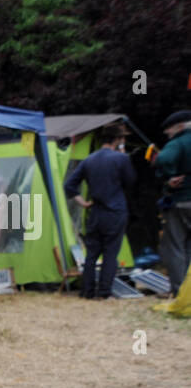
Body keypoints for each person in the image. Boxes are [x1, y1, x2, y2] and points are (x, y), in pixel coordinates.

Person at [63, 124, 136, 299]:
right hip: (115, 211)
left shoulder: (89, 160)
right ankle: (104, 292)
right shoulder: (121, 159)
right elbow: (131, 182)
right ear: (117, 140)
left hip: (95, 212)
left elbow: (69, 185)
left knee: (92, 255)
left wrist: (83, 203)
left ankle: (86, 291)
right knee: (110, 254)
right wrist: (123, 156)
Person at [154, 110, 191, 295]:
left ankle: (180, 293)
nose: (167, 134)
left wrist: (168, 177)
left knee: (176, 247)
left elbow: (164, 159)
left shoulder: (177, 143)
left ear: (180, 126)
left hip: (182, 201)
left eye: (169, 130)